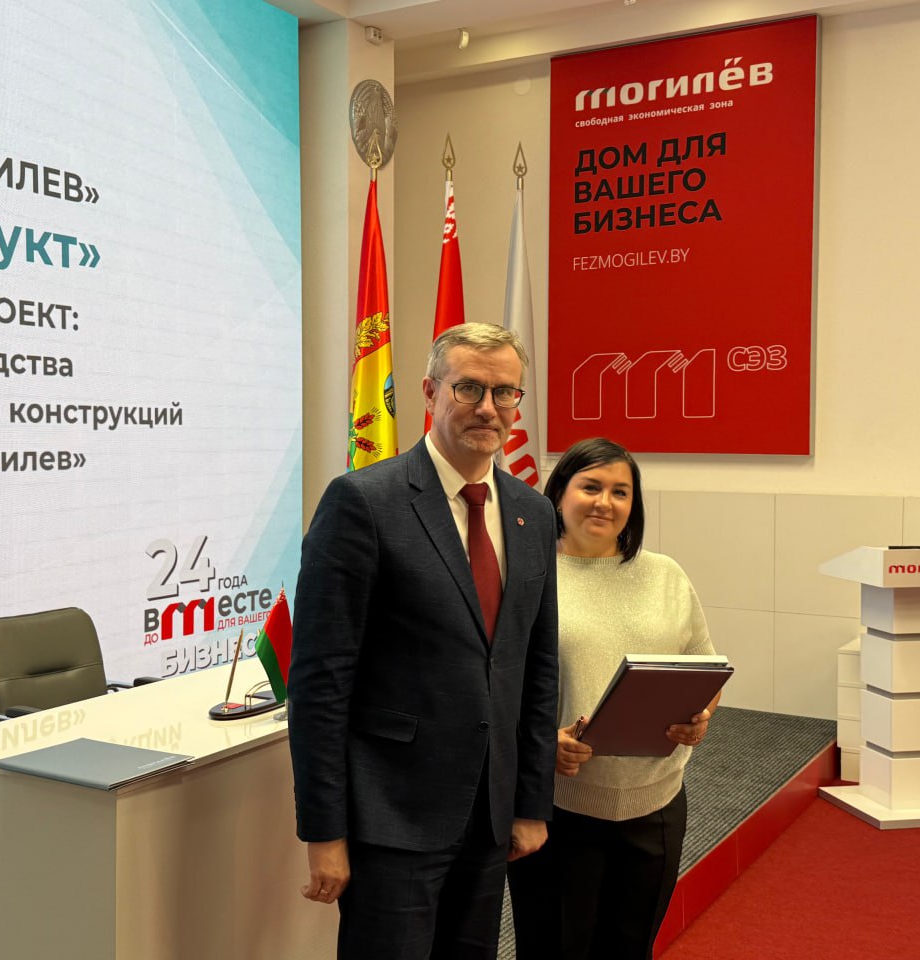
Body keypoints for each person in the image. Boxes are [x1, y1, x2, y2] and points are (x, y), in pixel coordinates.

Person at [288, 322, 560, 960]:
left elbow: (537, 668)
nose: (488, 407)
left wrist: (531, 803)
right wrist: (325, 831)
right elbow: (321, 683)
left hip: (489, 815)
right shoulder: (363, 503)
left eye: (505, 392)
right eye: (469, 388)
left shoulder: (533, 512)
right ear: (430, 392)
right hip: (391, 817)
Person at [507, 437, 720, 960]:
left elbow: (704, 666)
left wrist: (700, 717)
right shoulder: (527, 576)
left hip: (656, 803)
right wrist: (542, 742)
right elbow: (495, 686)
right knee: (555, 947)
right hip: (558, 805)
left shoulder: (666, 575)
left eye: (620, 492)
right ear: (559, 493)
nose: (605, 502)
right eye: (591, 487)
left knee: (630, 947)